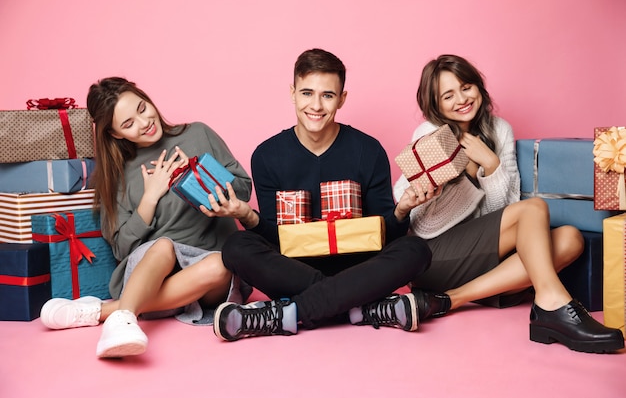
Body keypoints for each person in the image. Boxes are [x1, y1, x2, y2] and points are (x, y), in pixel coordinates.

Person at [201, 48, 437, 341]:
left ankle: (284, 315)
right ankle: (359, 307)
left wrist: (402, 211)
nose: (316, 105)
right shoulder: (266, 155)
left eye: (327, 95)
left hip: (360, 265)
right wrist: (247, 216)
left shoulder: (369, 150)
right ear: (292, 93)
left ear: (342, 99)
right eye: (307, 93)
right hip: (298, 271)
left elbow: (384, 233)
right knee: (236, 246)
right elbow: (275, 239)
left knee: (416, 250)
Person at [393, 54, 624, 353]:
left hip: (482, 261)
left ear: (479, 87)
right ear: (435, 105)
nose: (462, 99)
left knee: (571, 238)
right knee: (535, 208)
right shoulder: (429, 136)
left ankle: (451, 299)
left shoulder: (498, 129)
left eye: (467, 87)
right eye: (448, 95)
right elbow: (423, 225)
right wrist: (459, 178)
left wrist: (490, 164)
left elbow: (504, 210)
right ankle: (552, 305)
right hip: (433, 254)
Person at [39, 77, 253, 358]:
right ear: (115, 134)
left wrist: (204, 178)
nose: (144, 122)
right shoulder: (118, 172)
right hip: (154, 271)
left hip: (207, 275)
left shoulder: (199, 134)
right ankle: (124, 318)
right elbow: (120, 246)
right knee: (163, 245)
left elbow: (243, 189)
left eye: (142, 108)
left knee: (223, 264)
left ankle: (106, 312)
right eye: (128, 124)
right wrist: (150, 198)